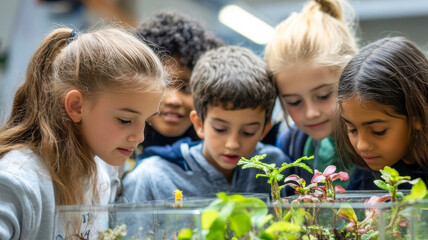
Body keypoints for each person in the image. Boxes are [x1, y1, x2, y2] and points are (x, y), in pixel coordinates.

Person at [0, 27, 168, 239]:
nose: (140, 136)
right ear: (77, 106)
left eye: (147, 121)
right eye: (125, 120)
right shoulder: (16, 180)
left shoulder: (104, 172)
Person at [120, 46, 291, 202]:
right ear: (199, 124)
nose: (233, 144)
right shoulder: (151, 178)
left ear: (264, 130)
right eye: (220, 129)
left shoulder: (276, 167)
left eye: (248, 132)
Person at [264, 0, 358, 186]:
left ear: (352, 75)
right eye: (293, 102)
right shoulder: (290, 146)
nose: (311, 113)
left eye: (323, 96)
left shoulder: (381, 140)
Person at [123, 10, 224, 173]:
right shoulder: (115, 147)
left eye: (187, 88)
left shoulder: (219, 153)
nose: (173, 100)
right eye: (163, 85)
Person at [336, 36, 428, 190]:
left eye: (378, 131)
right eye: (352, 129)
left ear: (416, 119)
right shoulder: (365, 178)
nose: (361, 145)